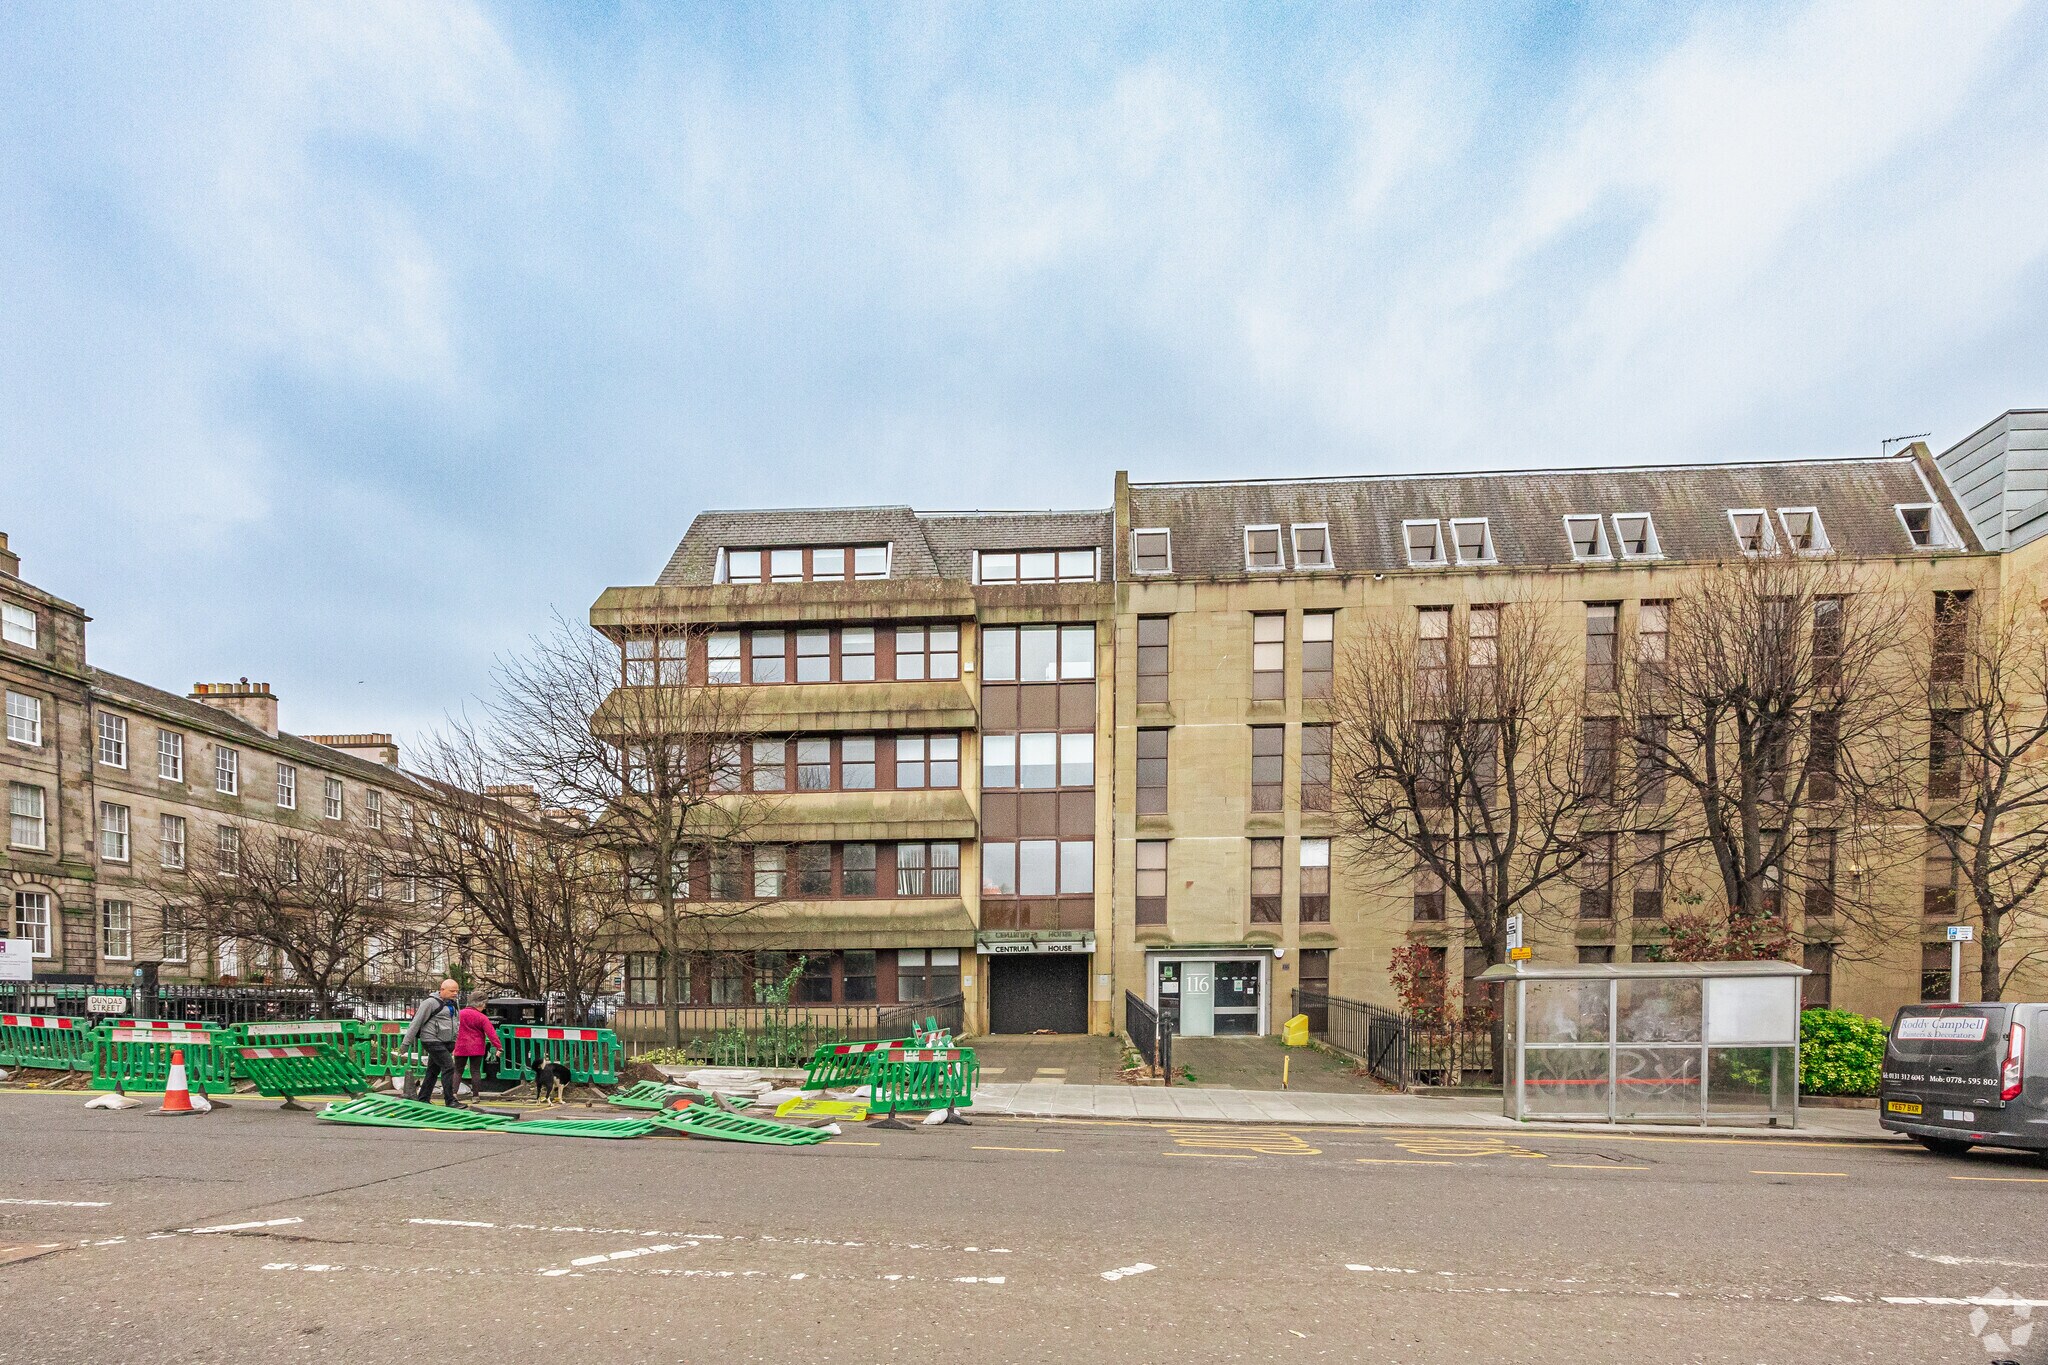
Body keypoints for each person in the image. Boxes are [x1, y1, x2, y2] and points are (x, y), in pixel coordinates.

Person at [400, 979, 463, 1106]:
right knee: (449, 1066)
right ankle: (450, 1100)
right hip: (431, 1040)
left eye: (457, 991)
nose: (455, 993)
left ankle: (423, 1098)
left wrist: (454, 1041)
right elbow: (416, 1022)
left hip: (446, 1042)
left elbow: (456, 1023)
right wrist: (406, 1044)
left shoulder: (453, 1004)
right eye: (452, 991)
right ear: (442, 990)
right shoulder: (430, 1003)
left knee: (433, 1071)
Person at [454, 994, 501, 1099]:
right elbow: (491, 1033)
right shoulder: (482, 1017)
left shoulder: (459, 1014)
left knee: (458, 1070)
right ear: (480, 1004)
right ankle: (475, 1096)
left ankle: (454, 1093)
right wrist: (498, 1047)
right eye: (484, 1005)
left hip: (461, 1045)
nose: (484, 1008)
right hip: (477, 1046)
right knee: (475, 1071)